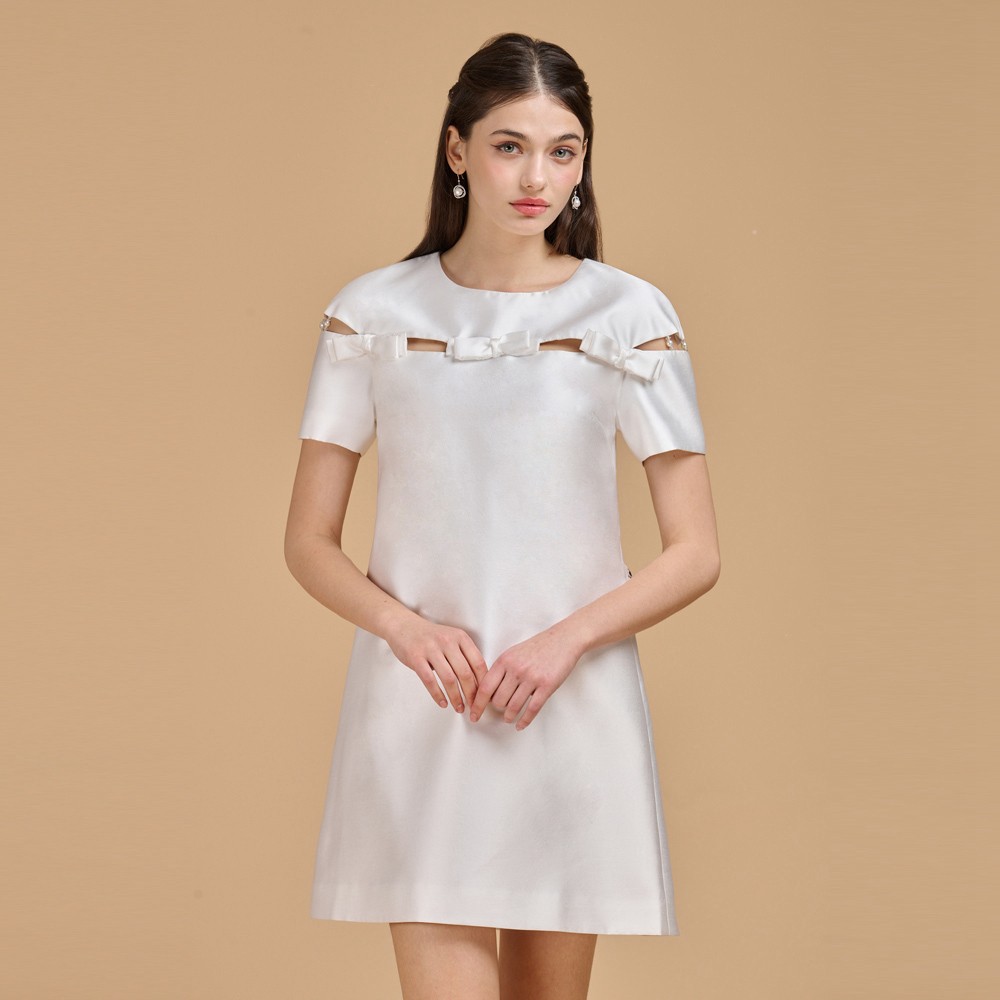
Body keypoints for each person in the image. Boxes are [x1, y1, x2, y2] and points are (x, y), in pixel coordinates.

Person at [284, 31, 721, 1000]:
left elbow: (695, 551)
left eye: (563, 151)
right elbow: (307, 540)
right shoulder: (371, 313)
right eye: (508, 146)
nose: (536, 178)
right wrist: (405, 629)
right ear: (457, 149)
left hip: (568, 702)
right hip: (425, 703)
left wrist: (563, 644)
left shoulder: (628, 314)